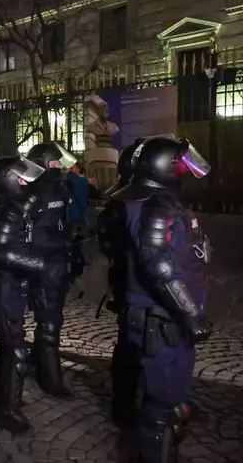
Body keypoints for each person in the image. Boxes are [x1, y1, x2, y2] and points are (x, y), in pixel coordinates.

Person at [111, 135, 212, 462]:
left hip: (171, 319)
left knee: (172, 401)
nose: (185, 168)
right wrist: (191, 314)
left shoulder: (164, 202)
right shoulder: (155, 206)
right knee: (162, 407)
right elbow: (159, 265)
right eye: (180, 163)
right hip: (161, 320)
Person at [0, 155, 47, 433]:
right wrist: (42, 265)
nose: (25, 183)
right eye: (20, 179)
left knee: (7, 344)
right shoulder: (7, 209)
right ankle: (6, 409)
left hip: (9, 282)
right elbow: (3, 250)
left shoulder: (4, 204)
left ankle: (2, 394)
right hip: (5, 283)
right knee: (17, 349)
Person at [24, 141, 78, 398]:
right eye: (54, 162)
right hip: (40, 262)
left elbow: (64, 221)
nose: (58, 166)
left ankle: (38, 359)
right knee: (48, 320)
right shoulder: (31, 192)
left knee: (53, 315)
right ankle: (49, 377)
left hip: (57, 260)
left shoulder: (60, 188)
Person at [96, 140, 141, 427]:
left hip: (144, 285)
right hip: (132, 285)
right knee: (129, 345)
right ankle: (122, 405)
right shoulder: (121, 202)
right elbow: (109, 243)